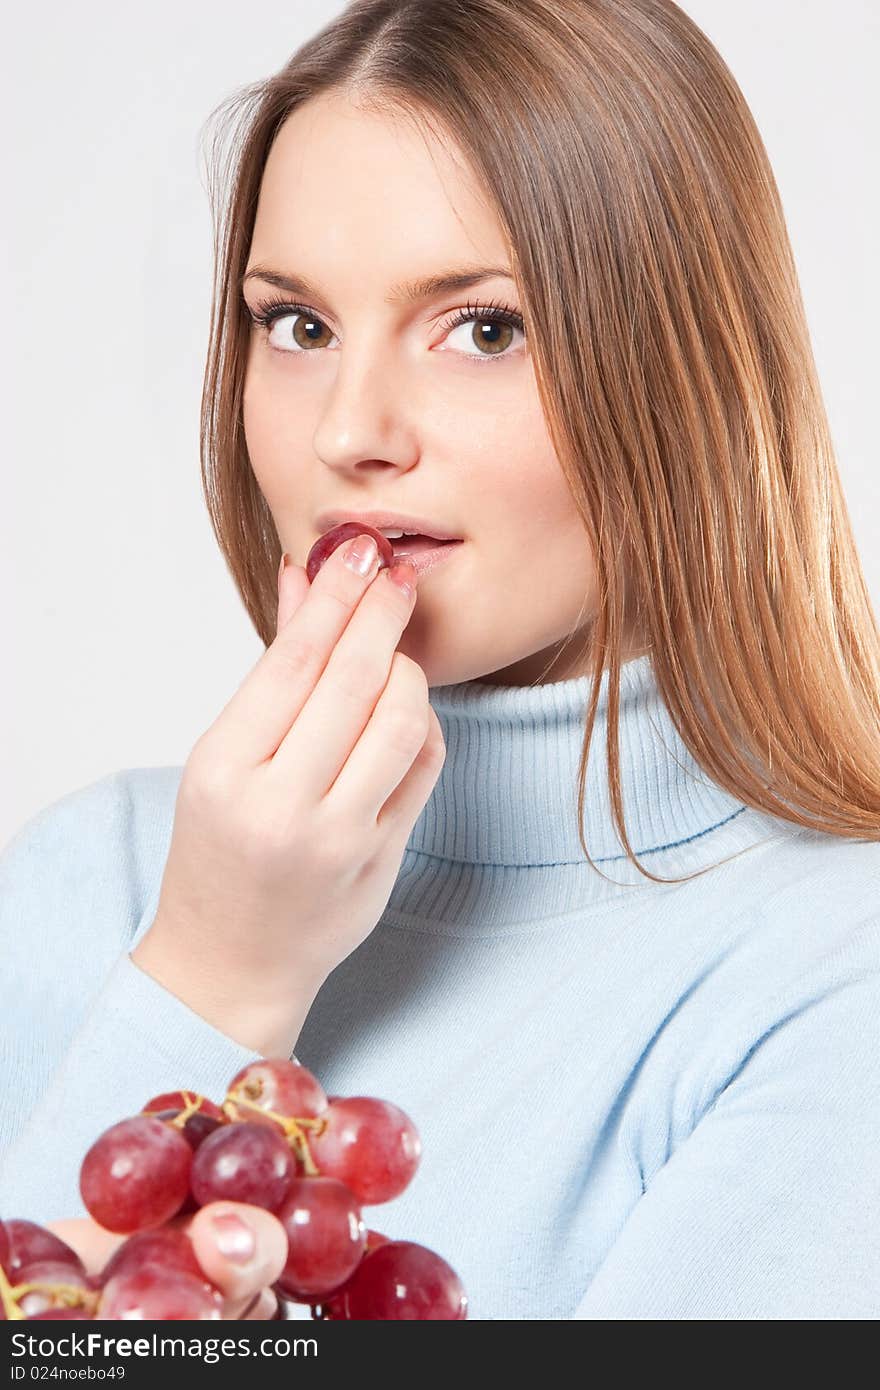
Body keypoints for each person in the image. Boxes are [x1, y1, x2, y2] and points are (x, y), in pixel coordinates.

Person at [2, 0, 879, 1321]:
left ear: (689, 377)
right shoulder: (95, 876)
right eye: (296, 325)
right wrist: (210, 975)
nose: (350, 432)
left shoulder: (832, 977)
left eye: (481, 327)